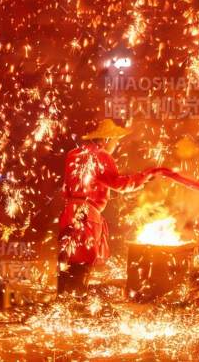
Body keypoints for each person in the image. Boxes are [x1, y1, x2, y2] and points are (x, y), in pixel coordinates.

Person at [57, 119, 157, 293]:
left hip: (69, 211)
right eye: (114, 139)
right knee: (83, 262)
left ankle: (64, 300)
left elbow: (66, 187)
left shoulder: (73, 154)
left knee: (68, 259)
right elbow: (119, 184)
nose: (116, 144)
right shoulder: (101, 156)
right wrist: (143, 178)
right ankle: (74, 303)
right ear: (105, 139)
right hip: (87, 214)